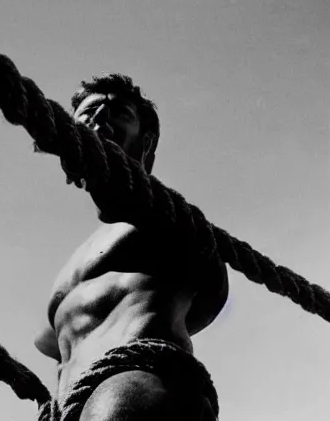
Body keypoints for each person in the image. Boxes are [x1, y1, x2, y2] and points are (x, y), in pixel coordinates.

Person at [34, 73, 229, 420]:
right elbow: (49, 344)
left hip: (136, 384)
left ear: (147, 143)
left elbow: (213, 292)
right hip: (69, 408)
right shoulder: (73, 263)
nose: (100, 119)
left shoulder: (162, 216)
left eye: (119, 113)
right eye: (89, 113)